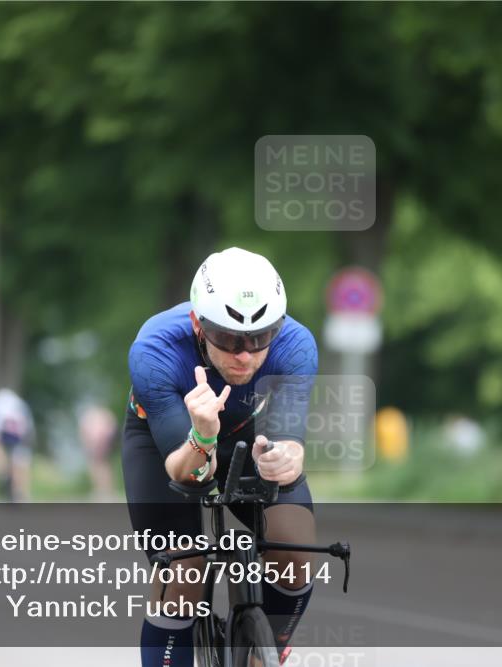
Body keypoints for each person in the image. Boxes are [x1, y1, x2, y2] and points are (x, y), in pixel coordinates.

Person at [122, 247, 318, 667]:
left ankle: (268, 644)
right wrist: (203, 435)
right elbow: (185, 472)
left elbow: (291, 443)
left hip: (249, 435)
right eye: (229, 339)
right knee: (183, 570)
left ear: (277, 328)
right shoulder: (154, 350)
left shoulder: (296, 345)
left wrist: (285, 460)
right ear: (197, 324)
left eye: (260, 338)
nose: (244, 355)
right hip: (173, 441)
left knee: (296, 552)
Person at [0, 387, 35, 502]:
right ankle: (18, 491)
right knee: (20, 461)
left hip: (11, 425)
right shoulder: (18, 407)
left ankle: (7, 478)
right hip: (17, 426)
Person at [78, 404, 117, 500]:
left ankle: (105, 490)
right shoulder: (97, 416)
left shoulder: (97, 417)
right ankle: (101, 490)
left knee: (101, 465)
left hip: (99, 445)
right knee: (97, 465)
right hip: (96, 445)